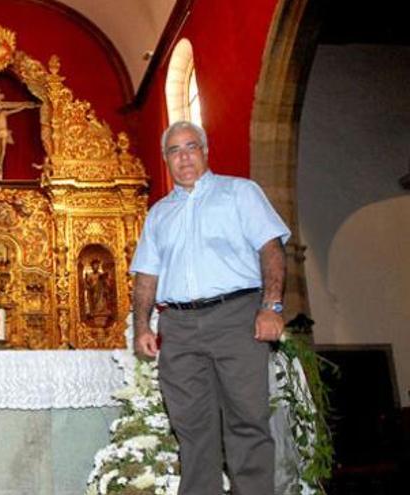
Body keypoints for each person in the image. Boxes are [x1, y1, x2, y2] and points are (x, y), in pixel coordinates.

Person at [130, 121, 289, 495]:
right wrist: (142, 326)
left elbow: (271, 248)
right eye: (174, 150)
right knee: (191, 427)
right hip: (179, 326)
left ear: (205, 151)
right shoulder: (159, 214)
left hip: (236, 317)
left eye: (190, 147)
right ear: (166, 159)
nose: (183, 157)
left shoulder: (240, 193)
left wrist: (272, 305)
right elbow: (146, 277)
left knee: (247, 420)